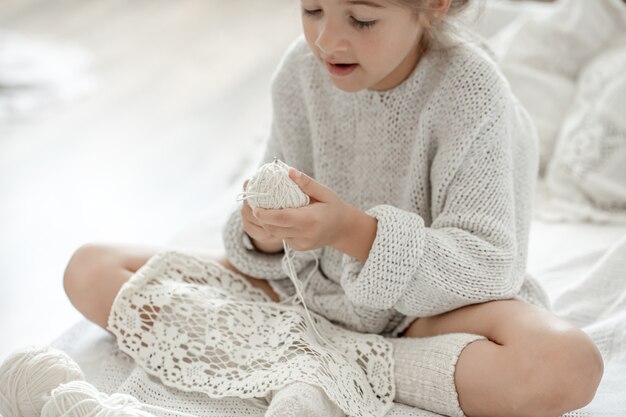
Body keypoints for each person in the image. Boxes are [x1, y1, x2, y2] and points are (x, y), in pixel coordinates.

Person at [63, 1, 604, 416]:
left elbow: (487, 265)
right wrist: (264, 233)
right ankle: (318, 359)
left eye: (362, 19)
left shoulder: (471, 90)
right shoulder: (301, 71)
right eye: (312, 9)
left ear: (434, 5)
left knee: (565, 363)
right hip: (303, 296)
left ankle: (325, 362)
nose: (326, 38)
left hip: (426, 315)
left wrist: (356, 232)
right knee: (91, 268)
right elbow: (267, 225)